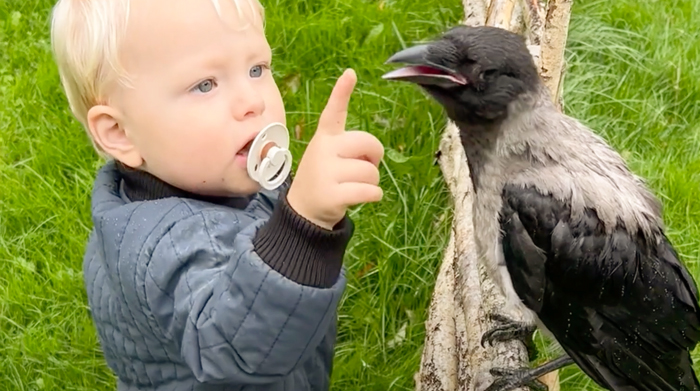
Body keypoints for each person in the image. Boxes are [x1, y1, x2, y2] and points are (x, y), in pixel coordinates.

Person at [49, 0, 384, 389]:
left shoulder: (185, 182)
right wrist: (304, 223)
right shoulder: (171, 248)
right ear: (120, 133)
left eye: (256, 69)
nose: (252, 102)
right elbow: (243, 351)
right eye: (204, 85)